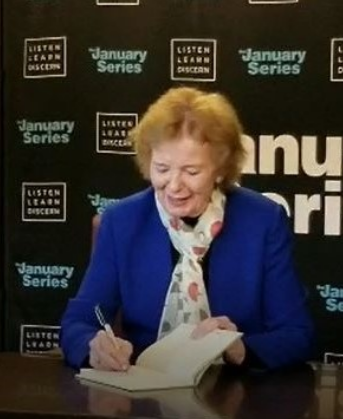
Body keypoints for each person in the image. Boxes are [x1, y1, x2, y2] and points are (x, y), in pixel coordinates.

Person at [60, 86, 315, 371]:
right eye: (162, 168)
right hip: (144, 396)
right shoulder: (122, 221)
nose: (174, 185)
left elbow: (297, 335)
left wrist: (241, 349)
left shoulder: (263, 220)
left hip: (236, 395)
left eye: (191, 171)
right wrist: (93, 347)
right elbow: (78, 323)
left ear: (220, 168)